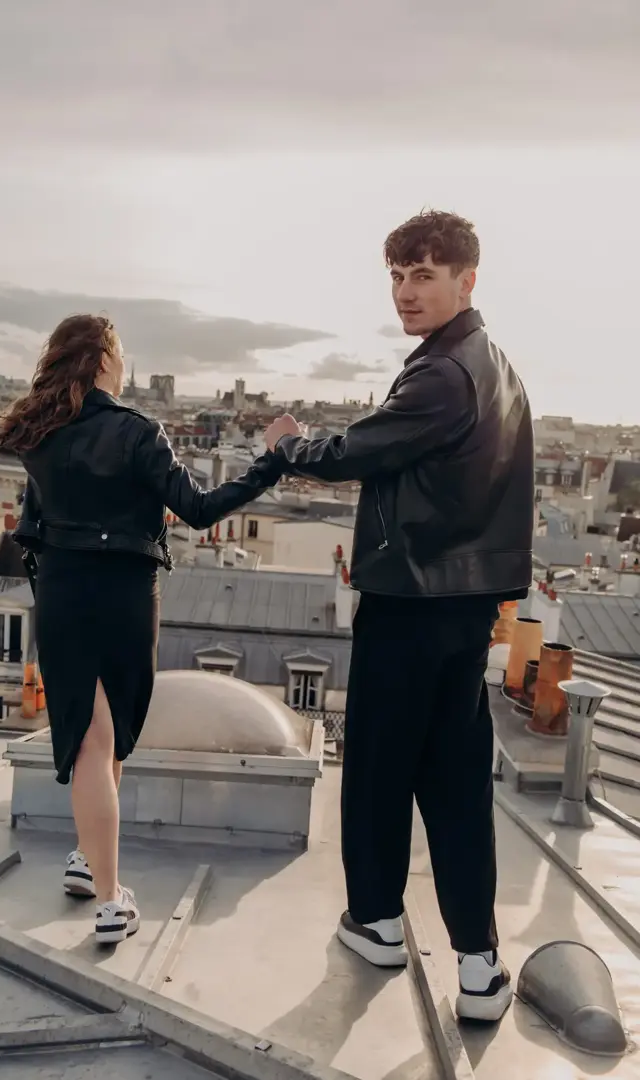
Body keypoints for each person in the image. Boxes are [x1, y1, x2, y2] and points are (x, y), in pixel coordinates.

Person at [264, 210, 534, 1023]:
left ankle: (377, 920)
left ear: (466, 280)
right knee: (455, 784)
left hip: (410, 600)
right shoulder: (496, 367)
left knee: (379, 767)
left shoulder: (443, 373)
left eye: (424, 274)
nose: (407, 292)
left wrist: (289, 442)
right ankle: (480, 967)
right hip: (466, 606)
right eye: (398, 274)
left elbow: (358, 451)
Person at [0, 314, 283, 946]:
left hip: (62, 591)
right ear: (107, 360)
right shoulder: (139, 433)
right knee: (104, 739)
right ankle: (112, 899)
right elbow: (198, 508)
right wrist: (270, 460)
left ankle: (90, 859)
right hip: (127, 595)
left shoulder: (35, 429)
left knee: (94, 734)